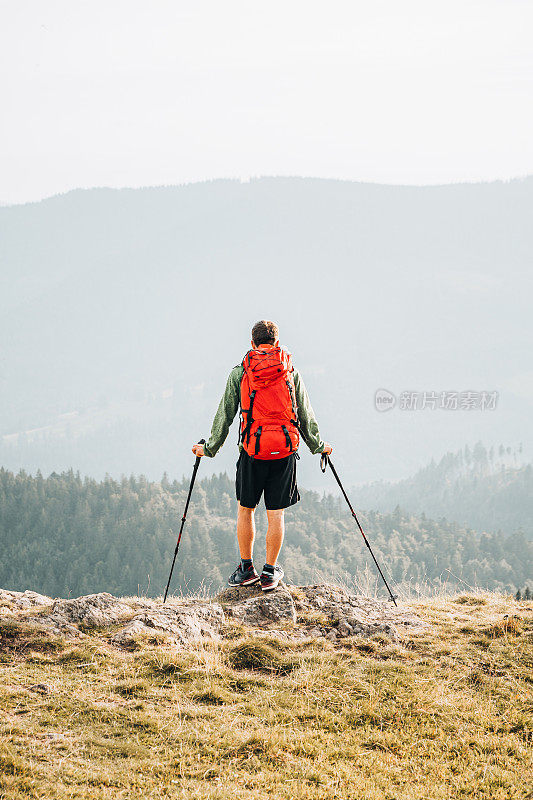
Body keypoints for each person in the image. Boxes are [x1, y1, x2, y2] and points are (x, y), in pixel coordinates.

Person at [192, 320, 332, 591]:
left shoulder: (240, 373)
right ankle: (269, 572)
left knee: (246, 509)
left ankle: (246, 569)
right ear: (276, 343)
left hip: (252, 452)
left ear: (252, 343)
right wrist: (318, 445)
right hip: (285, 450)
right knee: (276, 513)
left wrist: (208, 448)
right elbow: (304, 414)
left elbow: (225, 415)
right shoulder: (291, 372)